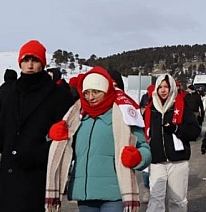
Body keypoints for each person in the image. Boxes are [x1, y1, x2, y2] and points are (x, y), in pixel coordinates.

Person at [44, 67, 151, 212]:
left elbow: (144, 147)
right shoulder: (76, 118)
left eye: (96, 92)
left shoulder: (123, 115)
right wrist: (53, 136)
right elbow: (67, 151)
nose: (90, 97)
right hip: (85, 196)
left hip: (114, 194)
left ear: (106, 91)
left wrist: (138, 158)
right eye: (86, 92)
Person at [0, 40, 76, 212]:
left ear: (43, 63)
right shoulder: (9, 93)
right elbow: (2, 130)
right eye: (26, 60)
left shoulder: (57, 95)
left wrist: (38, 154)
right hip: (8, 175)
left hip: (37, 175)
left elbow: (67, 137)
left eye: (35, 60)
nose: (29, 65)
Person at [144, 74, 201, 212]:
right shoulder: (150, 110)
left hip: (178, 161)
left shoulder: (181, 106)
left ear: (172, 89)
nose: (163, 90)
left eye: (166, 87)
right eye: (160, 87)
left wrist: (176, 129)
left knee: (177, 199)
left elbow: (195, 131)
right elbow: (142, 132)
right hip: (157, 161)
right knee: (156, 198)